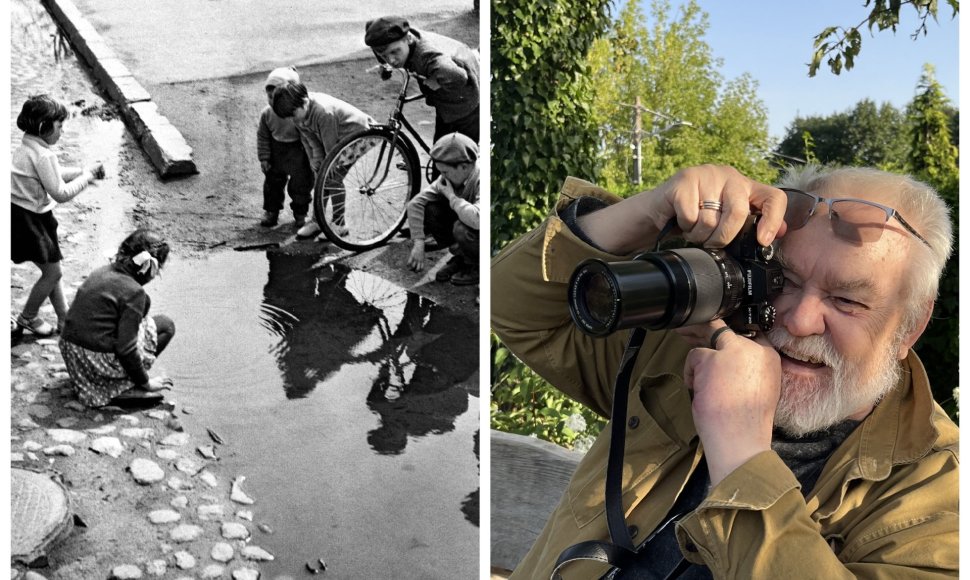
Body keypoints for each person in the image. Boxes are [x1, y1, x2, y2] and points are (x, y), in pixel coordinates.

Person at [491, 164, 957, 579]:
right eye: (784, 281)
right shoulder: (682, 353)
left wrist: (741, 458)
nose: (797, 320)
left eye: (848, 301)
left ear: (910, 328)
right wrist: (645, 214)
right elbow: (512, 308)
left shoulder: (940, 492)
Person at [11, 94, 104, 337]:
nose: (62, 132)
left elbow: (51, 174)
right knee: (53, 273)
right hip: (32, 221)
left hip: (24, 215)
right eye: (60, 126)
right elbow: (60, 193)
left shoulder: (27, 146)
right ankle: (28, 317)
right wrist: (86, 178)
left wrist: (80, 171)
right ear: (44, 127)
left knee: (53, 270)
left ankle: (65, 319)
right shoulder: (44, 155)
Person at [59, 229, 176, 408]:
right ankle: (127, 385)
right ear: (150, 268)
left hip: (73, 352)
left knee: (145, 314)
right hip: (94, 360)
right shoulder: (133, 292)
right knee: (166, 326)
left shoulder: (102, 271)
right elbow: (126, 349)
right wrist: (147, 383)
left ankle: (108, 381)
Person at [272, 80, 374, 240]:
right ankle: (318, 220)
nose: (293, 119)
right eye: (290, 117)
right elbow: (310, 139)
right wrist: (316, 160)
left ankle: (340, 224)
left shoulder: (323, 112)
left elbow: (331, 145)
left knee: (333, 179)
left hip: (356, 135)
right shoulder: (299, 115)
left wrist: (328, 163)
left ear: (304, 102)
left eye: (293, 114)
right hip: (335, 140)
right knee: (321, 176)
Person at [364, 16, 480, 145]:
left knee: (453, 156)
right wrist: (383, 64)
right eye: (385, 56)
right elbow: (374, 35)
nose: (391, 60)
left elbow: (459, 77)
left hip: (464, 102)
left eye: (395, 52)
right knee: (440, 146)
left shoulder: (428, 57)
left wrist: (436, 81)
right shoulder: (392, 40)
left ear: (408, 39)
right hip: (446, 93)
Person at [405, 132, 479, 285]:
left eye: (445, 172)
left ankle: (478, 266)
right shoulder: (450, 178)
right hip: (469, 221)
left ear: (464, 167)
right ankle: (462, 257)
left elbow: (479, 220)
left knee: (461, 228)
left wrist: (451, 197)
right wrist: (419, 243)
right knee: (431, 209)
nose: (442, 177)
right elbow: (416, 203)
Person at [256, 66, 314, 230]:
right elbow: (263, 136)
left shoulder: (298, 112)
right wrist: (264, 158)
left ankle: (300, 214)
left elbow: (309, 135)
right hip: (276, 152)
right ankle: (271, 211)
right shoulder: (267, 113)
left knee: (301, 185)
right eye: (270, 96)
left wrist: (311, 157)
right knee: (272, 185)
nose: (273, 100)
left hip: (299, 152)